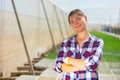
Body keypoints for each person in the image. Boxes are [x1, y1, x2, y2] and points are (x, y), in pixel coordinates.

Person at [54, 9, 104, 80]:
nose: (76, 23)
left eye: (78, 19)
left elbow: (92, 65)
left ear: (85, 18)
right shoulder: (66, 43)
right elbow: (58, 66)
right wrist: (81, 66)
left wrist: (68, 60)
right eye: (72, 21)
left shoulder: (97, 42)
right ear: (71, 25)